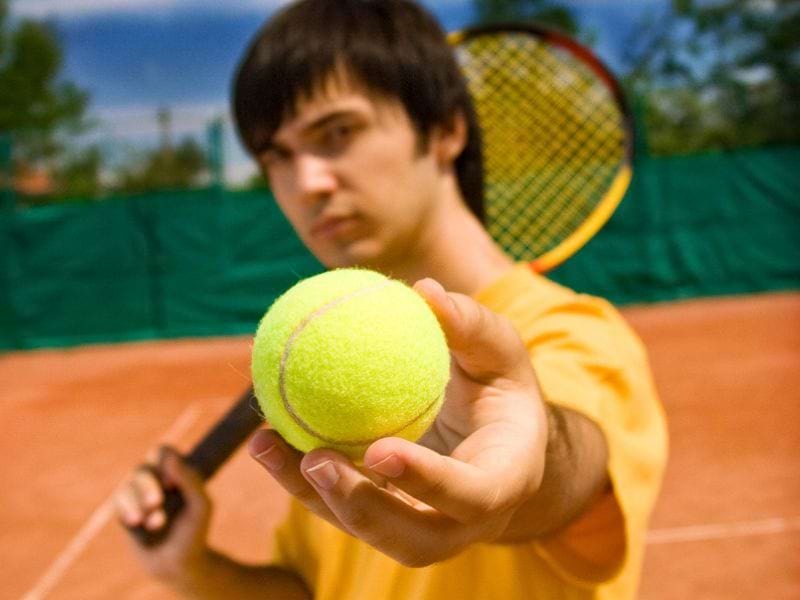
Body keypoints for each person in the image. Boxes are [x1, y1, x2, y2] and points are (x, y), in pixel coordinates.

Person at [114, 1, 668, 598]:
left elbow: (571, 475)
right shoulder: (323, 378)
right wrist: (194, 570)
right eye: (277, 156)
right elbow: (317, 589)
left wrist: (528, 458)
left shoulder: (572, 333)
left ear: (447, 130)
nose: (308, 184)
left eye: (337, 133)